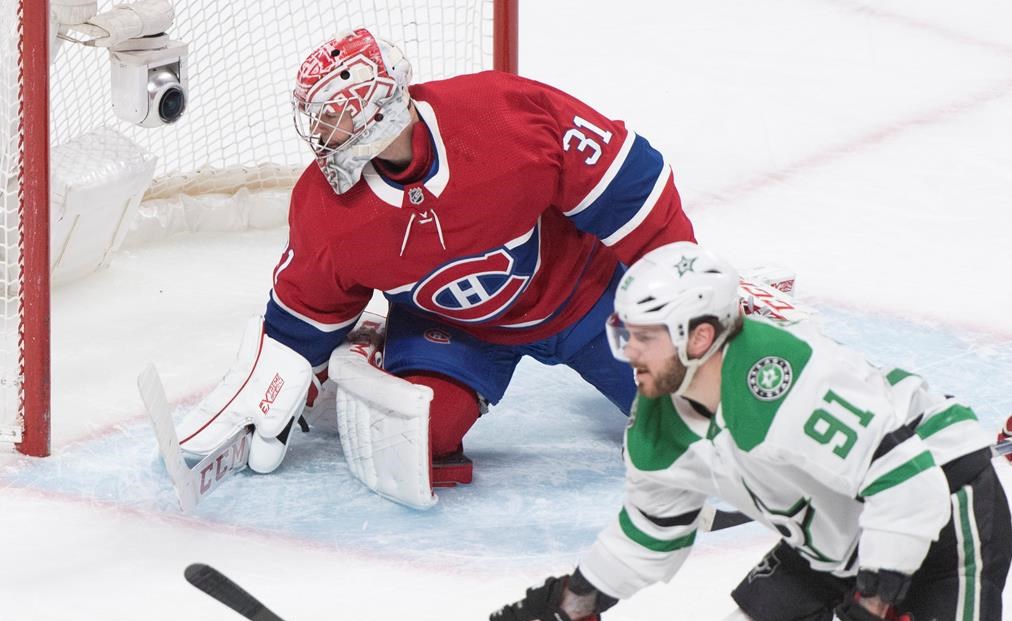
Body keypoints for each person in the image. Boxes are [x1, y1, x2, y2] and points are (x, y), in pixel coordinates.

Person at [476, 242, 1012, 621]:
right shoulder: (658, 420)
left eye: (646, 337)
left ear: (700, 336)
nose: (629, 353)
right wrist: (566, 614)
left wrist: (869, 610)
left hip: (944, 505)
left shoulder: (783, 378)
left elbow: (907, 486)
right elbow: (651, 532)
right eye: (625, 334)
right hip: (834, 533)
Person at [173, 27, 696, 506]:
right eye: (320, 120)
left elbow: (633, 187)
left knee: (695, 415)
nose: (324, 134)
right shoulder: (327, 208)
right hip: (454, 327)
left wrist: (684, 291)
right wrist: (283, 377)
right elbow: (306, 309)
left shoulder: (500, 114)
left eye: (335, 116)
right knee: (415, 438)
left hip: (581, 294)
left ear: (376, 109)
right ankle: (368, 352)